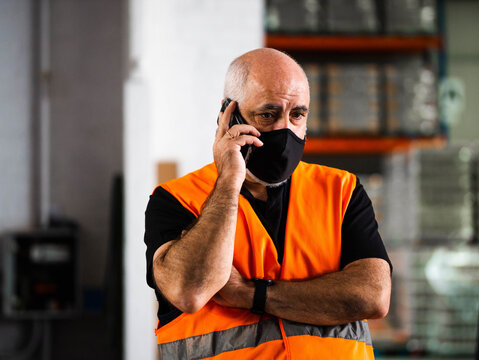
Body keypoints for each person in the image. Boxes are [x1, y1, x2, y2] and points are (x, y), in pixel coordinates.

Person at [144, 48, 392, 359]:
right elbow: (189, 291)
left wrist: (250, 294)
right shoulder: (177, 199)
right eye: (268, 115)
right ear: (228, 115)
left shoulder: (341, 190)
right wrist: (229, 181)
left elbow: (372, 297)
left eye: (297, 115)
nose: (284, 130)